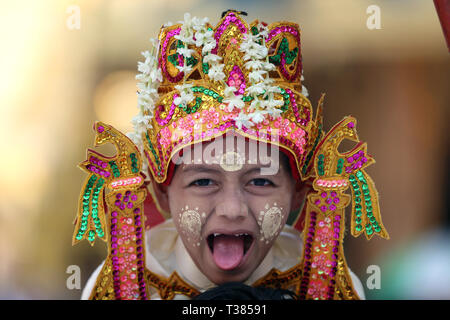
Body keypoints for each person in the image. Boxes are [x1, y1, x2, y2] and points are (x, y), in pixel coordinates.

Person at [75, 10, 388, 300]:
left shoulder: (329, 285)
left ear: (298, 194)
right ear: (162, 192)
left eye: (261, 183)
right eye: (203, 182)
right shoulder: (122, 287)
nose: (232, 209)